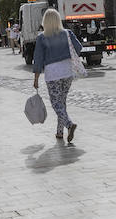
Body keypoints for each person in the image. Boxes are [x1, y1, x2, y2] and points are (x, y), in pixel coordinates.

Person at [32, 8, 83, 142]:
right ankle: (59, 132)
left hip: (53, 73)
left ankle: (69, 125)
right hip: (67, 71)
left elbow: (38, 58)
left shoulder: (42, 37)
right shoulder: (67, 33)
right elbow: (79, 48)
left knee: (56, 103)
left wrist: (36, 78)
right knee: (62, 102)